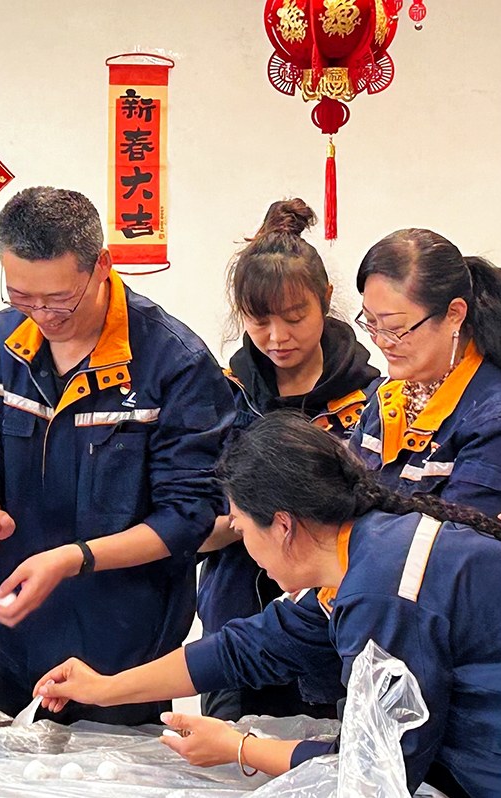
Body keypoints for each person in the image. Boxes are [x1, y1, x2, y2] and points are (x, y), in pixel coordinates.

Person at [35, 412, 500, 798]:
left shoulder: (381, 592)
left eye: (240, 529)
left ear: (282, 525)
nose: (243, 544)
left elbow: (378, 769)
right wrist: (104, 688)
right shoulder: (361, 549)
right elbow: (250, 646)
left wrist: (241, 748)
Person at [0, 186, 233, 725]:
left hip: (125, 652)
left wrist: (70, 559)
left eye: (58, 299)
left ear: (101, 266)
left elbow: (186, 517)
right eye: (20, 297)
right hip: (19, 634)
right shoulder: (1, 341)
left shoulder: (173, 362)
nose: (41, 315)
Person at [198, 199, 378, 721]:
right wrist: (254, 520)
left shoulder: (371, 399)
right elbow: (194, 523)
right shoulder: (221, 396)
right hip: (237, 610)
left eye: (296, 318)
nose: (278, 338)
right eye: (259, 321)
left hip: (336, 619)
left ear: (324, 300)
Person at [350, 228, 501, 516]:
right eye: (370, 322)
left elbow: (450, 544)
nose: (381, 341)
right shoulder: (386, 397)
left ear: (454, 314)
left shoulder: (490, 419)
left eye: (395, 329)